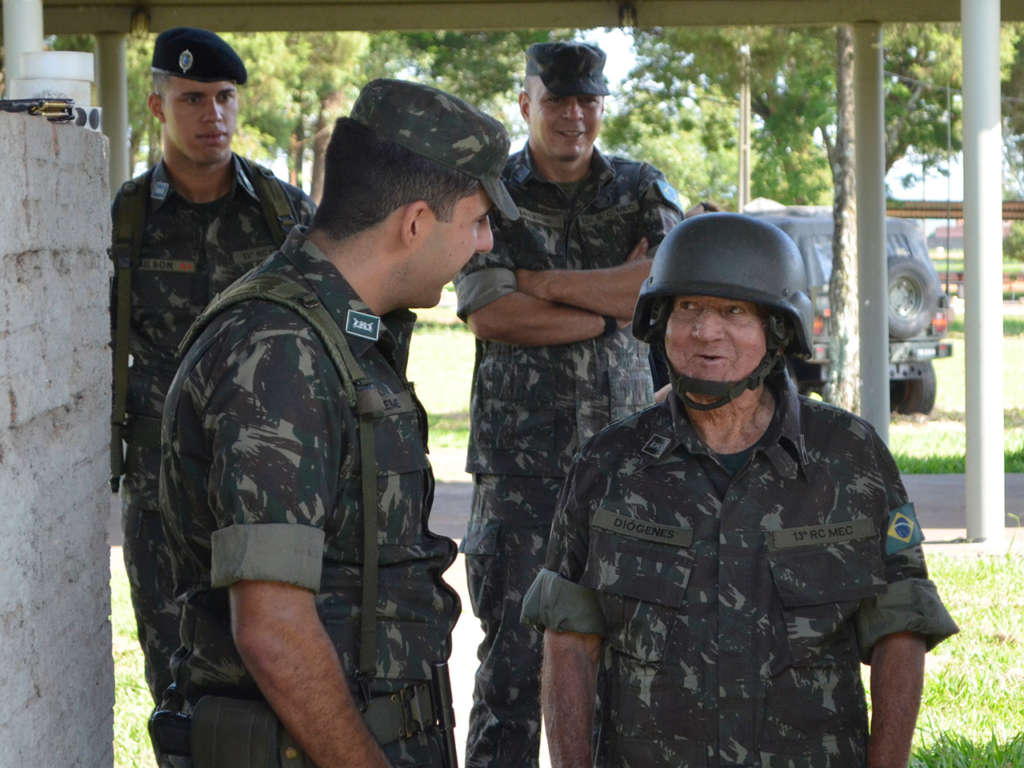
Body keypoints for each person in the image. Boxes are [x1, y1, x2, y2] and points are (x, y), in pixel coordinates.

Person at [157, 78, 517, 767]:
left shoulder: (338, 332)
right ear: (414, 223)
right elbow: (273, 629)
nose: (484, 242)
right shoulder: (280, 352)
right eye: (475, 220)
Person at [522, 212, 960, 768]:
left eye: (733, 311)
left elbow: (901, 631)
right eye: (688, 309)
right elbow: (568, 642)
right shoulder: (608, 463)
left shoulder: (852, 459)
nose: (706, 331)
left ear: (778, 330)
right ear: (662, 323)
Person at [452, 39, 685, 767]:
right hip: (517, 470)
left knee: (626, 660)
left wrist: (545, 283)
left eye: (588, 100)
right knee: (514, 667)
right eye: (557, 100)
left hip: (627, 462)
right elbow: (490, 310)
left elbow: (667, 290)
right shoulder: (492, 188)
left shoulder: (642, 186)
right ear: (526, 104)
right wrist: (612, 302)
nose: (574, 116)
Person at [109, 26, 315, 705]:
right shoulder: (125, 220)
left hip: (269, 475)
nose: (213, 116)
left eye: (225, 97)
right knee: (174, 669)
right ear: (158, 106)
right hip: (161, 487)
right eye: (193, 98)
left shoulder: (284, 215)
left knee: (279, 662)